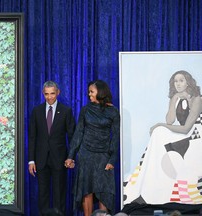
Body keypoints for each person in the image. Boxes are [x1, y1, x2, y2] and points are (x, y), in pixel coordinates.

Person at [123, 70, 202, 205]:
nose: (178, 84)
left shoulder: (197, 99)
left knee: (159, 129)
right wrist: (174, 100)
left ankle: (154, 185)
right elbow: (170, 121)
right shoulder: (176, 97)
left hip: (196, 135)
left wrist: (160, 124)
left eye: (181, 80)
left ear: (188, 82)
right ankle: (150, 182)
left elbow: (186, 128)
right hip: (185, 134)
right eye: (175, 81)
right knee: (158, 132)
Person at [65, 80, 120, 216]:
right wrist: (71, 156)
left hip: (103, 155)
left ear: (100, 92)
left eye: (92, 92)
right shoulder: (85, 110)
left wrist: (112, 159)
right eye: (89, 91)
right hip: (86, 154)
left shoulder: (113, 111)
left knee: (103, 191)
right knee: (86, 189)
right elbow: (78, 133)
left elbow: (116, 136)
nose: (89, 94)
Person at [28, 80, 76, 215]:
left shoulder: (66, 111)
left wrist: (71, 157)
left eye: (52, 94)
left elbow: (72, 136)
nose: (49, 97)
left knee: (59, 195)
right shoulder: (36, 111)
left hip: (59, 160)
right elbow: (32, 137)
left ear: (58, 93)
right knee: (42, 195)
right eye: (47, 94)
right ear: (43, 94)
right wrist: (31, 160)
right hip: (41, 160)